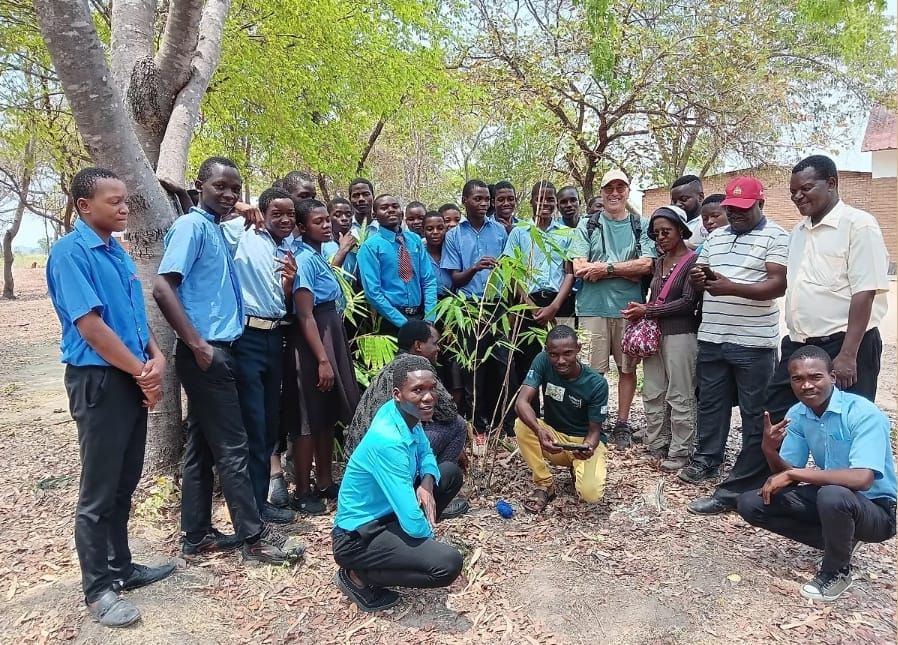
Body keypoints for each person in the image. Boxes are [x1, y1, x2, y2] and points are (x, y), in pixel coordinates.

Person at [689, 156, 890, 514]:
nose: (798, 197)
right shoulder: (797, 233)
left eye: (806, 188)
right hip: (799, 345)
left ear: (832, 182)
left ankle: (856, 512)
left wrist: (847, 354)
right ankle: (738, 491)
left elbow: (865, 292)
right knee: (771, 419)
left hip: (845, 344)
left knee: (845, 426)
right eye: (794, 191)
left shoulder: (858, 225)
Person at [153, 157, 298, 564]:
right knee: (234, 446)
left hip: (223, 348)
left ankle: (195, 535)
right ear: (200, 185)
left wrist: (236, 208)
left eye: (235, 188)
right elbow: (164, 286)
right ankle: (255, 538)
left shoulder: (215, 229)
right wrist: (197, 344)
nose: (229, 194)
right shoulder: (191, 227)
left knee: (200, 447)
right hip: (209, 351)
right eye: (220, 187)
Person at [47, 168, 175, 627]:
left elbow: (135, 319)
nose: (124, 208)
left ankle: (122, 566)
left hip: (131, 374)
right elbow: (93, 329)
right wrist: (143, 371)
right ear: (84, 206)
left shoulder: (117, 253)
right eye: (114, 201)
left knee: (126, 478)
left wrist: (156, 358)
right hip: (99, 380)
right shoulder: (71, 253)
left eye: (126, 201)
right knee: (98, 491)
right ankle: (98, 589)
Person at [737, 346, 896, 602]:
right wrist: (769, 450)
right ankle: (840, 541)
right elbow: (788, 475)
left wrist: (797, 475)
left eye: (815, 377)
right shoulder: (798, 414)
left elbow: (863, 479)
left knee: (834, 495)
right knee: (751, 503)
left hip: (877, 511)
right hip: (833, 498)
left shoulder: (863, 414)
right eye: (797, 379)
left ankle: (837, 572)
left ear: (832, 377)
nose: (806, 386)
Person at [678, 176, 789, 509]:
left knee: (755, 412)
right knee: (711, 403)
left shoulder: (777, 236)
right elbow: (699, 275)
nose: (736, 214)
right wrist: (699, 278)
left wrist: (730, 287)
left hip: (753, 342)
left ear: (761, 205)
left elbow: (777, 284)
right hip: (713, 335)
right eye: (731, 209)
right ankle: (708, 458)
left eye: (743, 208)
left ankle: (750, 470)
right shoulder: (717, 237)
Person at [332, 363, 464, 612]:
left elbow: (425, 452)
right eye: (417, 390)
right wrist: (428, 543)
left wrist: (426, 482)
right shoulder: (388, 441)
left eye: (431, 389)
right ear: (397, 394)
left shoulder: (402, 414)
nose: (428, 397)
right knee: (448, 564)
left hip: (387, 513)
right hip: (357, 537)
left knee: (448, 474)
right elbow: (413, 521)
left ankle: (400, 551)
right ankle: (358, 577)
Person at [344, 321, 470, 519]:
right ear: (419, 346)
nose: (438, 348)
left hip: (357, 462)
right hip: (384, 454)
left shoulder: (390, 367)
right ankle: (434, 496)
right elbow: (448, 411)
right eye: (435, 343)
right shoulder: (418, 368)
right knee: (458, 425)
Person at [224, 188, 297, 525]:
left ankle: (260, 503)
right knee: (252, 424)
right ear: (263, 214)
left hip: (274, 336)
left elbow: (278, 300)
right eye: (277, 213)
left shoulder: (283, 248)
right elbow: (210, 213)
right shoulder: (244, 232)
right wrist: (240, 207)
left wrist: (288, 284)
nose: (285, 219)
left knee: (268, 424)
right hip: (247, 338)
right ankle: (249, 511)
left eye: (290, 214)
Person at [569, 169, 655, 449]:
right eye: (609, 188)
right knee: (593, 372)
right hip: (592, 309)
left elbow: (646, 265)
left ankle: (622, 423)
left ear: (628, 191)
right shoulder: (588, 225)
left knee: (627, 368)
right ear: (602, 192)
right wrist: (625, 270)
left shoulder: (640, 225)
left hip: (628, 309)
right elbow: (579, 267)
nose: (614, 193)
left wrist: (604, 268)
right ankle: (595, 421)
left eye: (620, 187)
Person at [291, 198, 361, 514]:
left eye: (326, 220)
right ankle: (303, 489)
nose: (326, 225)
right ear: (302, 226)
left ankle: (324, 480)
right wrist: (321, 359)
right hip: (315, 339)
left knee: (326, 415)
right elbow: (305, 314)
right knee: (309, 415)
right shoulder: (303, 259)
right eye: (317, 221)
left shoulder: (319, 256)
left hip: (331, 332)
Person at [621, 206, 699, 471]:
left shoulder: (692, 261)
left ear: (680, 230)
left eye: (666, 231)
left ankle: (680, 450)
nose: (661, 238)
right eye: (656, 234)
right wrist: (640, 311)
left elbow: (688, 302)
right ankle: (657, 442)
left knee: (680, 393)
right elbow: (655, 297)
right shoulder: (660, 262)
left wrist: (649, 310)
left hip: (681, 334)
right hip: (655, 335)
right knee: (654, 390)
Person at [441, 179, 515, 451]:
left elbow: (510, 272)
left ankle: (507, 425)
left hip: (497, 307)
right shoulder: (454, 235)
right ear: (465, 200)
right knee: (473, 369)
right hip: (469, 309)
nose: (484, 204)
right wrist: (475, 268)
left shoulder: (499, 232)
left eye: (487, 199)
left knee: (502, 364)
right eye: (478, 199)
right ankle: (478, 427)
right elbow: (454, 280)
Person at [514, 325, 609, 513]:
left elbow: (594, 431)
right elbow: (521, 403)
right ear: (547, 351)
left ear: (578, 349)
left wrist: (588, 447)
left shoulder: (596, 384)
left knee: (591, 496)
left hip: (583, 443)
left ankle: (578, 466)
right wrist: (540, 431)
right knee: (522, 424)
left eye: (567, 353)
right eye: (554, 355)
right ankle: (544, 484)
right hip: (554, 438)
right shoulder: (542, 361)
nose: (560, 360)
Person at [503, 180, 575, 415]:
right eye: (540, 198)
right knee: (529, 363)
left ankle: (557, 416)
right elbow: (511, 273)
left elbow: (569, 272)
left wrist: (554, 306)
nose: (545, 203)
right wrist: (530, 307)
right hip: (527, 303)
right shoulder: (519, 232)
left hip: (558, 303)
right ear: (532, 201)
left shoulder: (566, 233)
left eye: (550, 199)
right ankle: (530, 415)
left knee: (561, 362)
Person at [357, 194, 437, 337]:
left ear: (401, 212)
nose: (391, 210)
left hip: (421, 317)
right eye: (384, 208)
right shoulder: (370, 247)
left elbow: (428, 279)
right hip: (391, 320)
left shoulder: (414, 240)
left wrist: (430, 317)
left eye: (395, 206)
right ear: (374, 215)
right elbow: (373, 292)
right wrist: (403, 323)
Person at [669, 174, 706, 250]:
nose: (677, 204)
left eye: (684, 199)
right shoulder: (671, 223)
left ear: (700, 197)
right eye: (674, 201)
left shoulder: (709, 222)